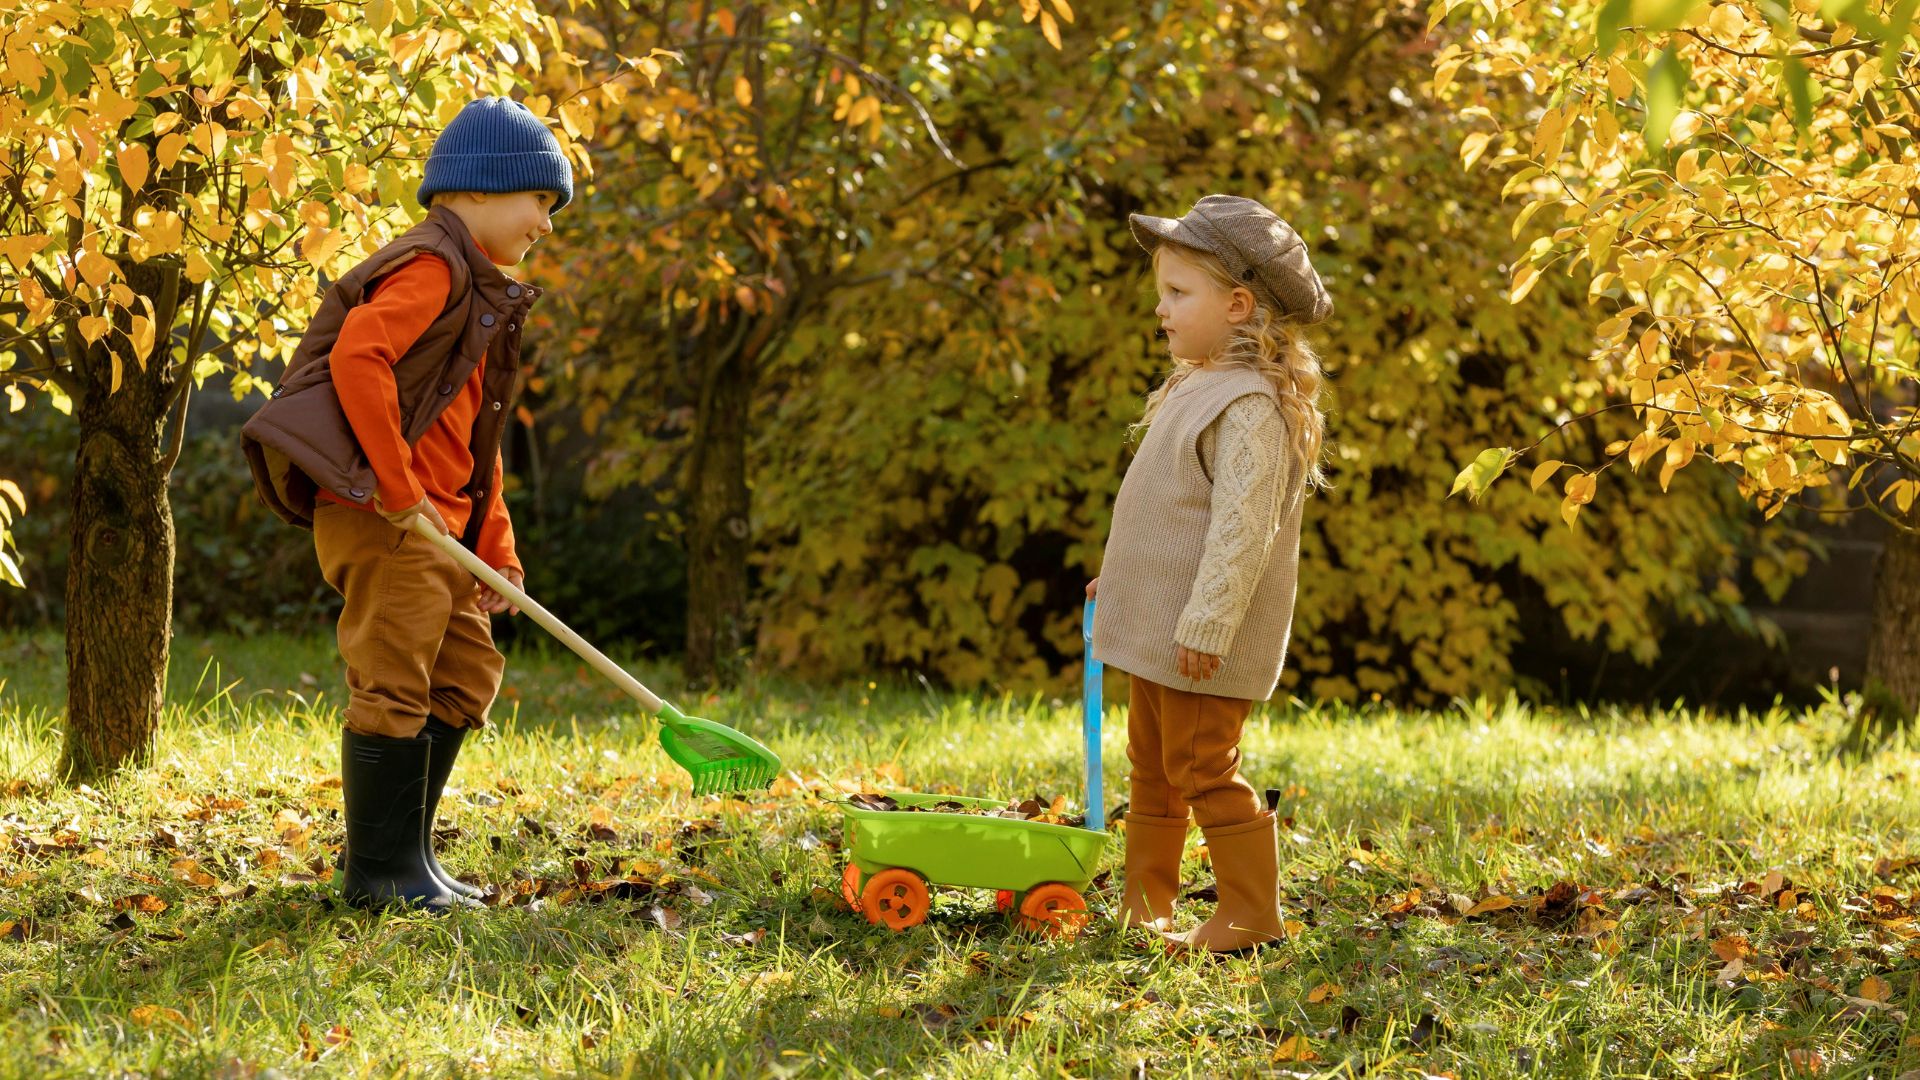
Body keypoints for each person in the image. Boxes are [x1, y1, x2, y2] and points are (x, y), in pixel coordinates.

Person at [242, 96, 571, 911]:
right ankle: (379, 877)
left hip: (439, 526)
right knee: (394, 681)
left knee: (463, 674)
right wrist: (397, 489)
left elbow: (474, 445)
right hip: (386, 518)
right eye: (542, 201)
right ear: (485, 189)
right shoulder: (433, 265)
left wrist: (498, 550)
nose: (548, 226)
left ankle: (409, 857)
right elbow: (360, 357)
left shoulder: (480, 290)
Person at [1089, 194, 1332, 952]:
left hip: (1203, 637)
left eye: (1177, 293)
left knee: (1201, 764)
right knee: (1152, 766)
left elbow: (1241, 530)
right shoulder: (1193, 387)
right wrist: (1118, 578)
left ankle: (1251, 914)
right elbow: (1165, 511)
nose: (1160, 310)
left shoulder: (1252, 404)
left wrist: (1209, 619)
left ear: (1237, 304)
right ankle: (1146, 902)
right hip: (1162, 628)